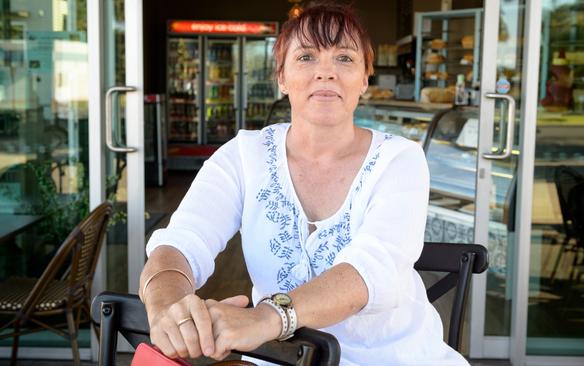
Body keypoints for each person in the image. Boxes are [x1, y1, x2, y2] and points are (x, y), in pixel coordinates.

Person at [140, 3, 469, 365]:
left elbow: (373, 271)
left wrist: (267, 317)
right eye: (306, 57)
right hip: (280, 360)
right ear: (281, 77)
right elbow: (181, 243)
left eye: (344, 58)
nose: (325, 72)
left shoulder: (399, 160)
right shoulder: (245, 156)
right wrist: (166, 309)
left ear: (364, 78)